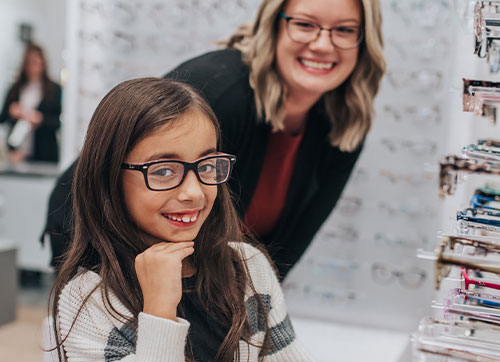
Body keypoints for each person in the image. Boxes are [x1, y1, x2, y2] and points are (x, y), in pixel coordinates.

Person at [50, 77, 322, 362]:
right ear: (110, 178)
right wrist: (159, 311)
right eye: (163, 171)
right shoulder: (90, 299)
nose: (194, 191)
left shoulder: (248, 268)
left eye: (207, 166)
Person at [44, 0, 385, 278]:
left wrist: (259, 305)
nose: (323, 44)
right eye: (305, 24)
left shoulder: (344, 123)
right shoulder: (221, 92)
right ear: (274, 26)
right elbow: (102, 189)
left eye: (345, 30)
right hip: (103, 249)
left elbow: (289, 248)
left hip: (207, 277)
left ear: (365, 40)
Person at [0, 42, 61, 163]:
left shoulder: (54, 89)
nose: (37, 68)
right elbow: (2, 118)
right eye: (33, 63)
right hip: (17, 153)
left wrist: (40, 120)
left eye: (39, 64)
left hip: (44, 154)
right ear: (26, 65)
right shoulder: (15, 89)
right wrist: (11, 110)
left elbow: (57, 122)